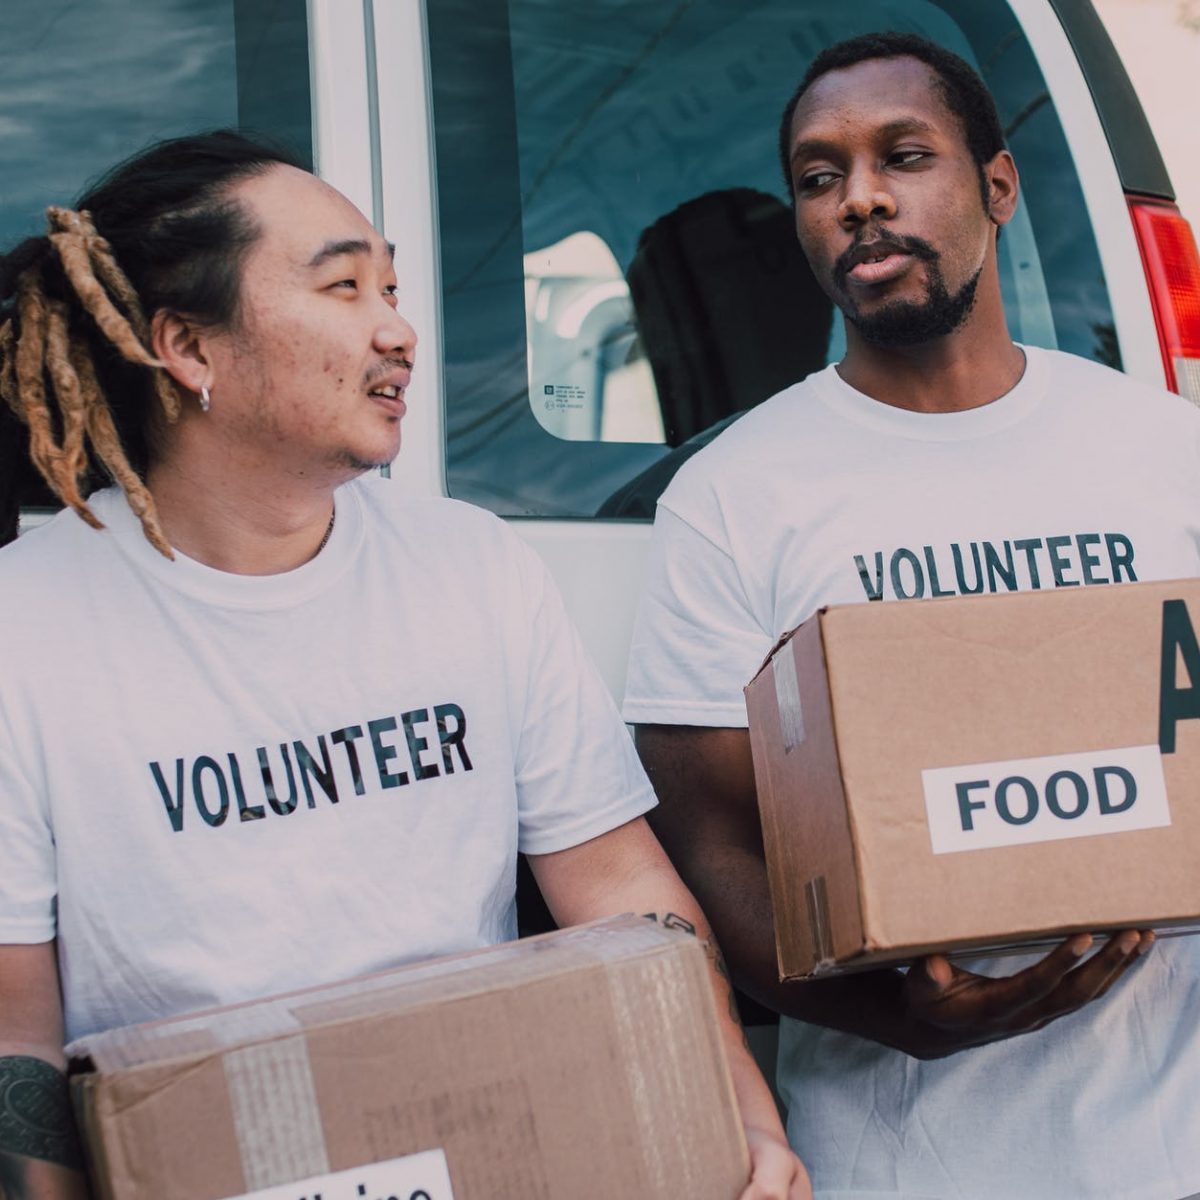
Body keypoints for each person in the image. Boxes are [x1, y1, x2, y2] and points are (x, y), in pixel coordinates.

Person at [0, 132, 808, 1199]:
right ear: (188, 348)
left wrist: (742, 1114)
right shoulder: (29, 625)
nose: (398, 329)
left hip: (492, 1150)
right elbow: (18, 1016)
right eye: (343, 287)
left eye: (391, 284)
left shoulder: (470, 565)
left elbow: (617, 885)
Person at [624, 31, 1200, 1200]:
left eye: (904, 156)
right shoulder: (736, 497)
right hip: (915, 1159)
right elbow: (710, 845)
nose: (862, 199)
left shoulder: (1162, 450)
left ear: (997, 186)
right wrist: (892, 1013)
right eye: (819, 177)